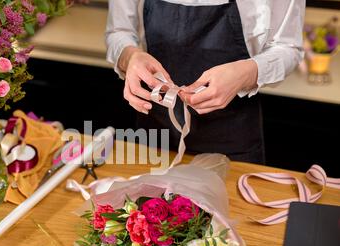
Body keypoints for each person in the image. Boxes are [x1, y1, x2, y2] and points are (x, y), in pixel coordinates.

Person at [106, 0, 305, 164]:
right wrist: (130, 56)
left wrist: (246, 72)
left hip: (232, 138)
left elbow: (288, 47)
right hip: (154, 135)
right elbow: (119, 32)